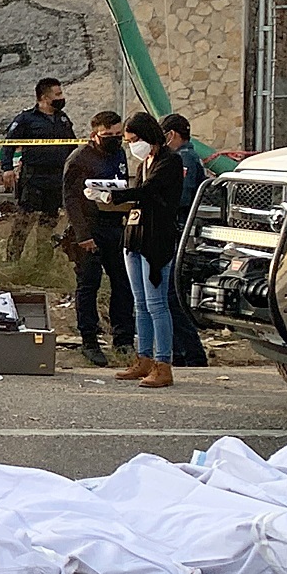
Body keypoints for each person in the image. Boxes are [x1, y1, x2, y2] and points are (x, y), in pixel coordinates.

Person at [104, 112, 185, 389]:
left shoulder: (170, 162)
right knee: (140, 304)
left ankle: (164, 363)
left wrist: (116, 195)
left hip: (156, 240)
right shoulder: (144, 163)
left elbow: (149, 192)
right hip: (135, 237)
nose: (131, 146)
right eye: (128, 141)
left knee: (157, 304)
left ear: (149, 135)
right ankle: (145, 358)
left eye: (135, 140)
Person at [61, 111, 136, 368]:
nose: (115, 140)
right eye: (109, 136)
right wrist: (83, 235)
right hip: (89, 230)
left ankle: (123, 339)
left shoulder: (118, 154)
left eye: (118, 135)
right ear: (95, 134)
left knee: (122, 284)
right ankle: (89, 340)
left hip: (115, 227)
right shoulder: (79, 158)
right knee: (89, 285)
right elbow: (70, 199)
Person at [0, 77, 75, 261]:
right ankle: (12, 260)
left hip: (56, 178)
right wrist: (6, 168)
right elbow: (9, 145)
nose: (61, 97)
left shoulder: (62, 119)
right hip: (34, 178)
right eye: (58, 94)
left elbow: (72, 145)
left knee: (48, 223)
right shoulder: (26, 119)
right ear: (44, 97)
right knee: (24, 221)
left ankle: (43, 263)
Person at [161, 113, 209, 367]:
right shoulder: (183, 158)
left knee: (172, 297)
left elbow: (180, 197)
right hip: (179, 232)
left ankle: (192, 355)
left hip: (179, 233)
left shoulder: (184, 159)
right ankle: (181, 353)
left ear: (171, 135)